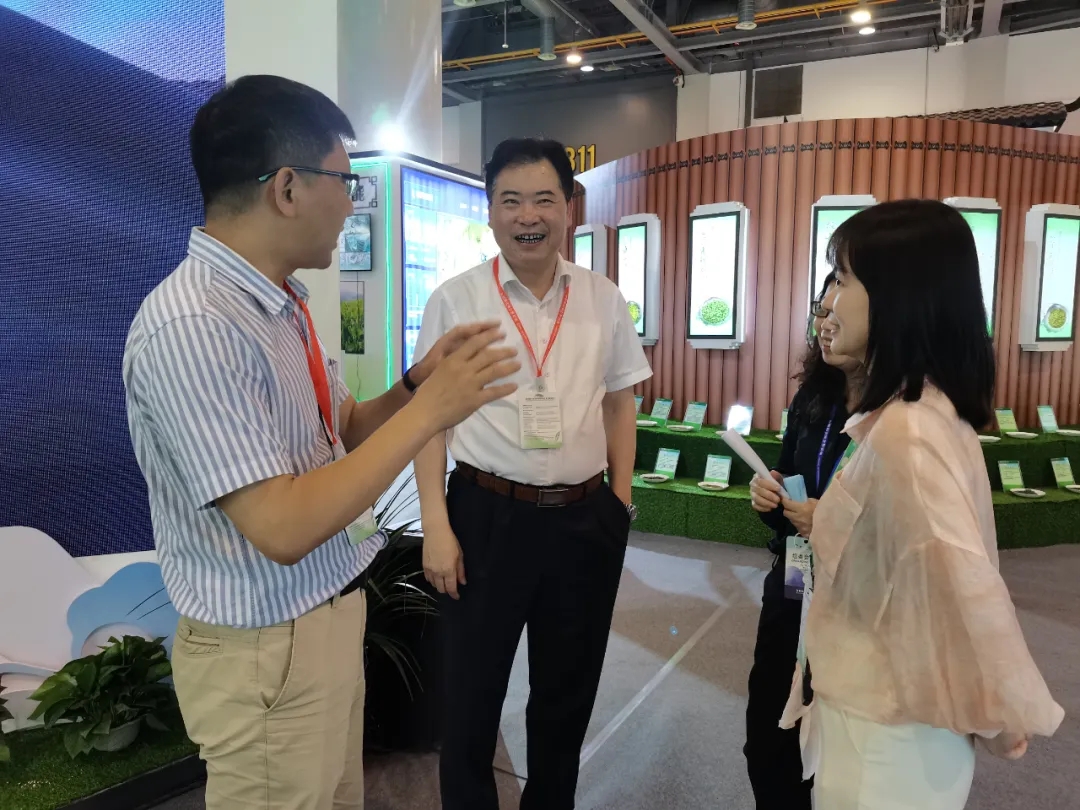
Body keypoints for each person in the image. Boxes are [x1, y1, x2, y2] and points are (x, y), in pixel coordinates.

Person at [122, 75, 520, 810]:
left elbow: (341, 431)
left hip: (324, 623)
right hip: (264, 651)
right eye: (345, 180)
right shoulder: (195, 326)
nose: (351, 202)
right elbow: (282, 525)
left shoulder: (281, 305)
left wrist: (414, 385)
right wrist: (431, 413)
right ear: (287, 188)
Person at [779, 199, 1064, 809]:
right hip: (881, 721)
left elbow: (961, 584)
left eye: (842, 280)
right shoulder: (912, 415)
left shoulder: (908, 433)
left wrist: (1001, 714)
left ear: (897, 297)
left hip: (888, 742)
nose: (826, 303)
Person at [413, 137, 652, 810]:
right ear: (489, 211)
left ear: (568, 207)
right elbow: (426, 420)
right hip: (483, 517)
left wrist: (618, 503)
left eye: (544, 199)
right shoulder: (456, 300)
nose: (528, 216)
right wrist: (436, 524)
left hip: (583, 521)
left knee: (564, 700)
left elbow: (620, 401)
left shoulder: (603, 299)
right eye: (510, 200)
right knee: (469, 701)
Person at [744, 270, 862, 809]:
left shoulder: (898, 415)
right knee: (768, 735)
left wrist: (828, 520)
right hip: (793, 580)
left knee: (837, 748)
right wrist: (771, 495)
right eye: (821, 309)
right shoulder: (813, 396)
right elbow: (789, 471)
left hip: (855, 601)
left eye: (838, 309)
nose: (825, 322)